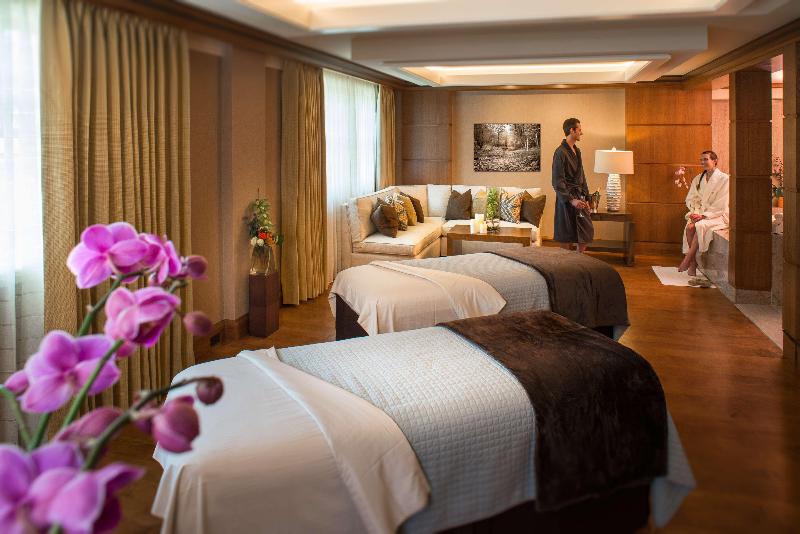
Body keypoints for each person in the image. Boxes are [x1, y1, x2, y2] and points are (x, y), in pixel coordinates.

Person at [678, 150, 729, 277]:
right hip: (699, 213)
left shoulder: (724, 179)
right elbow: (691, 198)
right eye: (701, 160)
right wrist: (695, 212)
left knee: (698, 226)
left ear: (715, 161)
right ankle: (693, 263)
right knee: (689, 227)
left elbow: (722, 203)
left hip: (717, 214)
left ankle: (688, 260)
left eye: (706, 159)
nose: (703, 162)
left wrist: (704, 216)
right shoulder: (698, 178)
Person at [552, 117, 594, 252]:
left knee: (586, 231)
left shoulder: (577, 151)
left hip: (579, 194)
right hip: (566, 197)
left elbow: (582, 176)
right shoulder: (560, 152)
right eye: (579, 130)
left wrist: (587, 198)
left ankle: (578, 258)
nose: (582, 133)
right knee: (566, 233)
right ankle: (566, 260)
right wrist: (571, 200)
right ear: (572, 130)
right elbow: (557, 181)